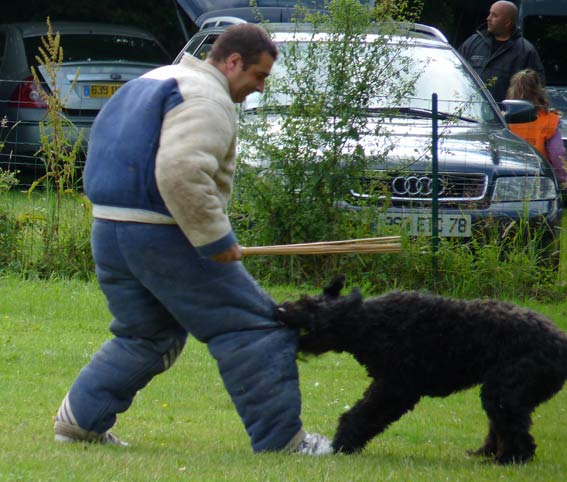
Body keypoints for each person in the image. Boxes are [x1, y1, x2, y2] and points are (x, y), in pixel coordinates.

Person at [53, 23, 332, 455]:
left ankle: (81, 422)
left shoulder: (150, 81)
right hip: (163, 234)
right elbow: (182, 172)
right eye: (258, 76)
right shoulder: (206, 96)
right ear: (233, 61)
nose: (258, 89)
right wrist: (216, 238)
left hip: (109, 229)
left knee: (147, 336)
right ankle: (284, 442)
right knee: (257, 326)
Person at [458, 1, 545, 103]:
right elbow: (456, 73)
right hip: (470, 114)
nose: (488, 18)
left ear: (507, 22)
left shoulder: (526, 51)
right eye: (489, 13)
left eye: (494, 15)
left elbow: (536, 90)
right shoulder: (472, 43)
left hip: (505, 117)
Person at [506, 68, 567, 188]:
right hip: (539, 179)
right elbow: (557, 154)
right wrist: (563, 180)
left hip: (508, 178)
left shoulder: (502, 119)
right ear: (539, 90)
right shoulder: (549, 120)